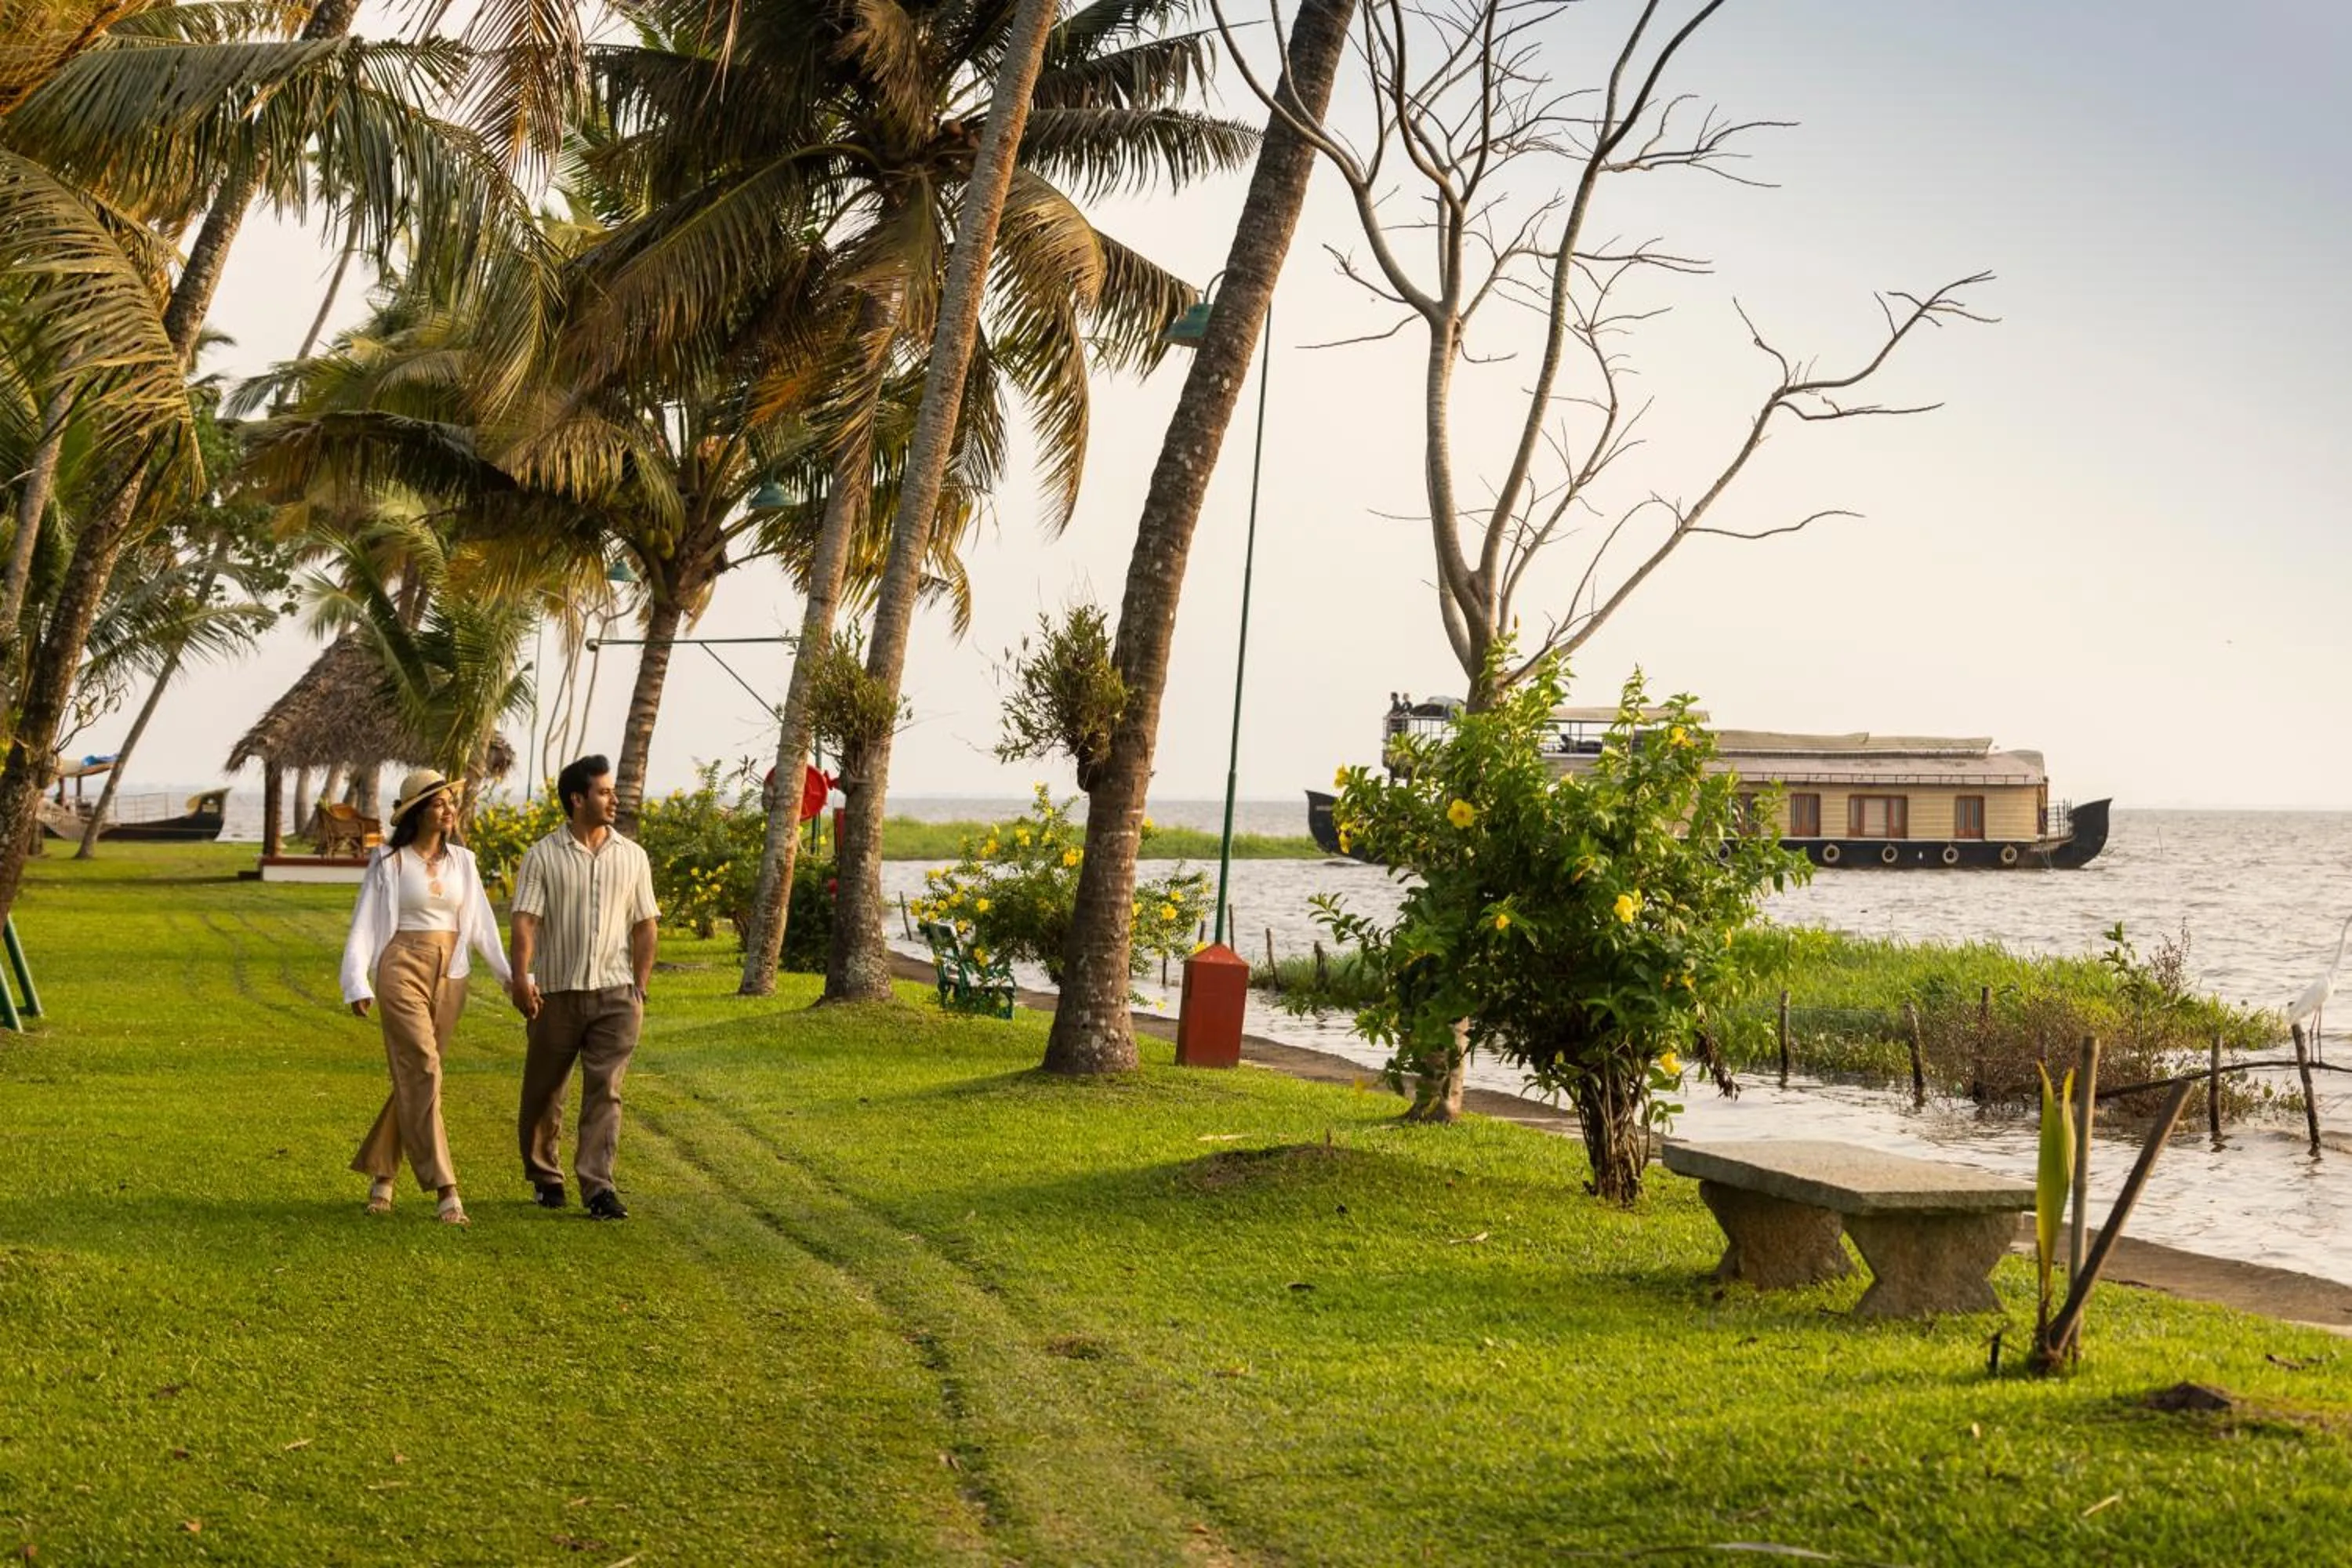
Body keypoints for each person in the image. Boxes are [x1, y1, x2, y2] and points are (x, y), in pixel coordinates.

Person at [339, 768, 513, 1225]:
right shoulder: (389, 863)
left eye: (450, 803)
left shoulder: (465, 862)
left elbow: (481, 926)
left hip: (451, 972)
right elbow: (364, 925)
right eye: (438, 804)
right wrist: (357, 981)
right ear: (417, 812)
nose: (449, 810)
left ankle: (383, 1175)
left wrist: (509, 978)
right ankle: (446, 1189)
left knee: (420, 1078)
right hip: (402, 966)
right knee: (423, 1067)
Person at [507, 754, 659, 1220]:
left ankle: (598, 1187)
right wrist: (521, 978)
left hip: (616, 995)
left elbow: (646, 925)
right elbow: (526, 921)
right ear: (578, 798)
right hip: (556, 993)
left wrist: (640, 988)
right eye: (605, 791)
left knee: (605, 1092)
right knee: (543, 1092)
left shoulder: (632, 857)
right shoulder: (542, 856)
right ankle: (545, 1177)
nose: (615, 798)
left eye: (613, 791)